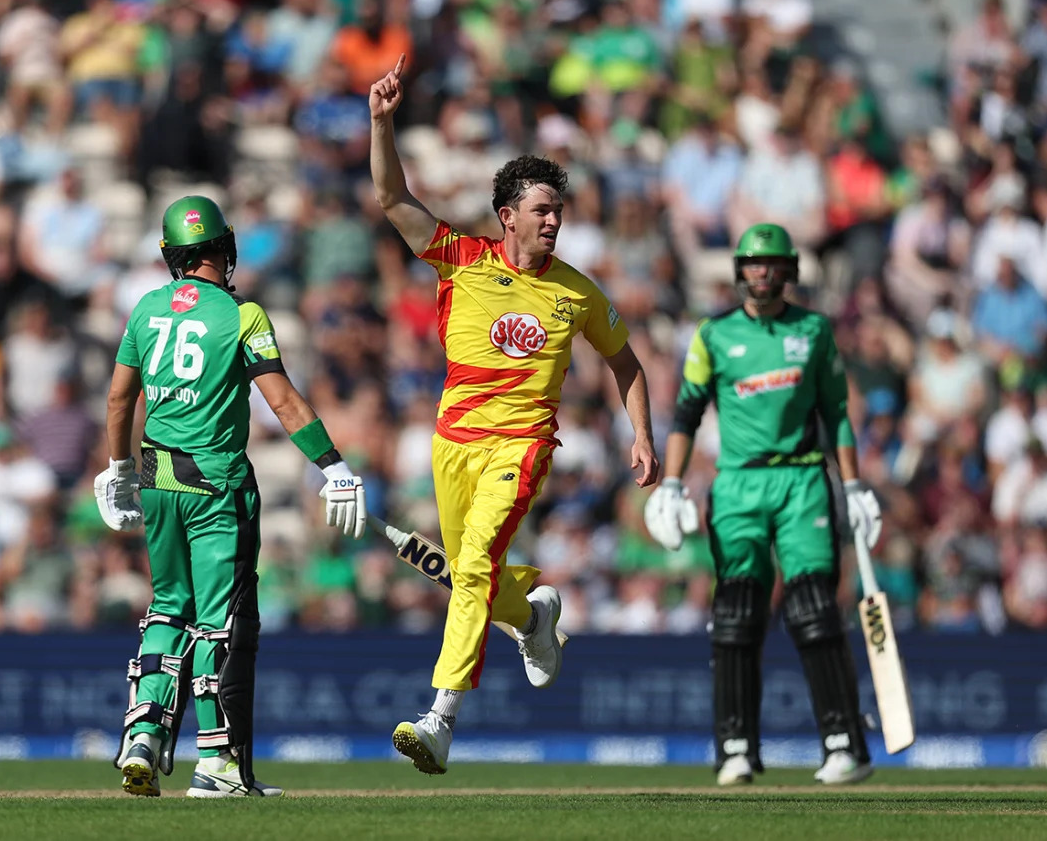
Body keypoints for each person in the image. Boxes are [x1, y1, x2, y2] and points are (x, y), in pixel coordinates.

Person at [369, 55, 659, 775]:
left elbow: (626, 362)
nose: (554, 221)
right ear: (509, 218)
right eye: (542, 210)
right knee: (473, 574)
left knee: (469, 570)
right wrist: (380, 121)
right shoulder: (460, 259)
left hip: (521, 444)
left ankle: (439, 719)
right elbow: (390, 197)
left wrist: (643, 434)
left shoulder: (578, 293)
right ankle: (533, 616)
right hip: (451, 441)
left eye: (558, 210)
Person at [96, 195, 368, 798]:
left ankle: (142, 732)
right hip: (216, 486)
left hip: (157, 477)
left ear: (172, 257)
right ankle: (216, 765)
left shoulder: (144, 309)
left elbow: (119, 400)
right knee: (218, 624)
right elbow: (284, 401)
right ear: (227, 248)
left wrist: (117, 469)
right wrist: (334, 467)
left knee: (168, 607)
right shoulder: (243, 316)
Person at [644, 223, 882, 786]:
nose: (762, 272)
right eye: (752, 263)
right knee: (735, 616)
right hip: (737, 485)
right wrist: (672, 483)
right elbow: (685, 414)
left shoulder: (815, 331)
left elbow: (838, 415)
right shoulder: (714, 335)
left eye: (772, 263)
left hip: (801, 480)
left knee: (814, 610)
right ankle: (734, 749)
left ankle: (845, 742)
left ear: (790, 271)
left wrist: (853, 487)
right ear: (739, 270)